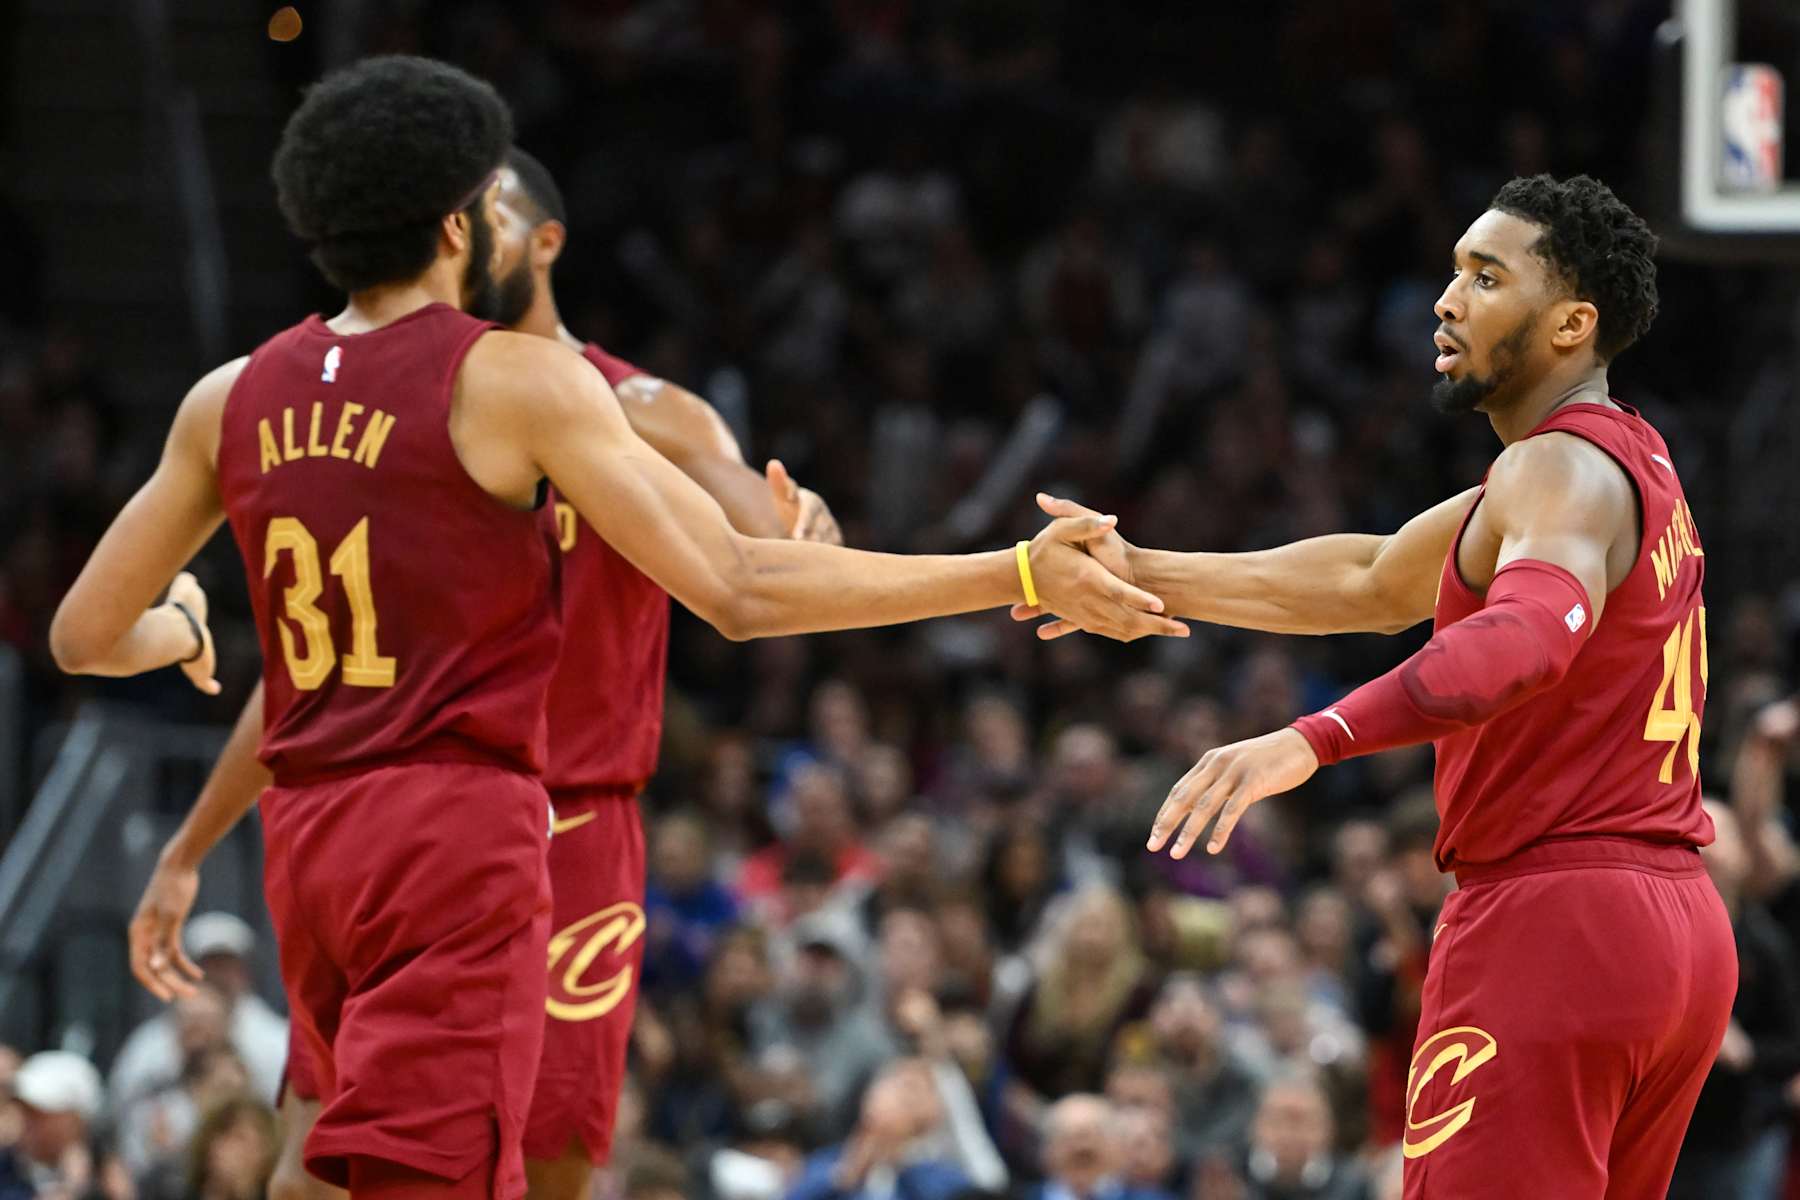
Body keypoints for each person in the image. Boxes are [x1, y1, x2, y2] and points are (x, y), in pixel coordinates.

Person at [50, 56, 1177, 1200]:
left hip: (308, 835)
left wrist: (180, 629)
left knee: (315, 1174)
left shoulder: (228, 395)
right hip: (456, 827)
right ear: (454, 225)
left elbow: (84, 636)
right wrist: (1019, 569)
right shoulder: (513, 384)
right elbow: (740, 588)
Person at [1020, 174, 1735, 1196]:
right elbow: (1370, 578)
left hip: (1557, 920)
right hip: (1671, 929)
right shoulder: (1622, 461)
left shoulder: (1557, 471)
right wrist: (1138, 570)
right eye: (1454, 273)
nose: (1447, 302)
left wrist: (1312, 737)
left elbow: (1525, 641)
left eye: (1486, 279)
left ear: (1574, 322)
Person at [109, 913, 286, 1111]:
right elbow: (122, 1104)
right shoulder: (148, 1045)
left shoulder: (277, 1040)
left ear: (244, 971)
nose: (218, 976)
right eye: (208, 965)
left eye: (226, 966)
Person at [0, 1051, 104, 1200]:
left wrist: (78, 1189)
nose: (27, 1122)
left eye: (39, 1113)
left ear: (75, 1119)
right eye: (25, 1111)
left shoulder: (108, 1178)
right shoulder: (7, 1167)